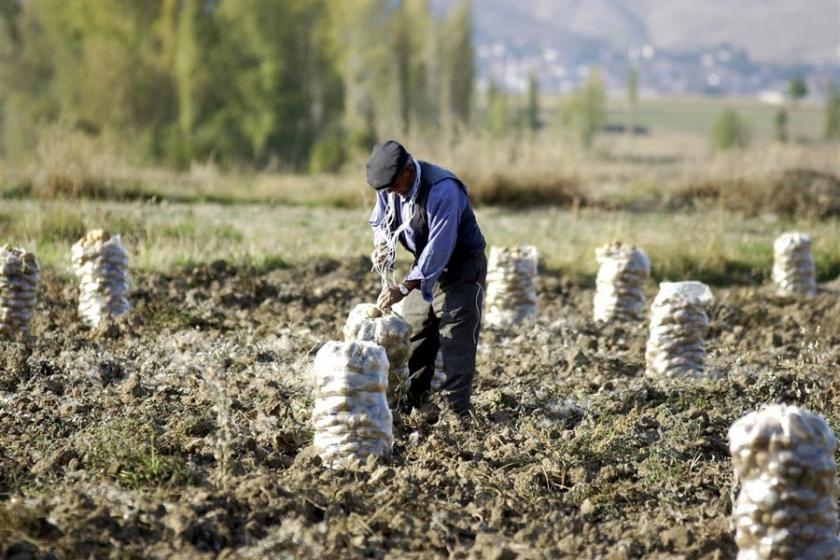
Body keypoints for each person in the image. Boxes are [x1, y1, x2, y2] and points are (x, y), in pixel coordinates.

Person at [366, 140, 486, 416]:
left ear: (409, 170)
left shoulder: (444, 190)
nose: (391, 193)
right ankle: (414, 404)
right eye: (386, 190)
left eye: (394, 186)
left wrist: (405, 286)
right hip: (424, 265)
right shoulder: (390, 187)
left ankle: (457, 414)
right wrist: (383, 246)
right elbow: (380, 221)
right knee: (415, 332)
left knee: (455, 337)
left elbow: (439, 248)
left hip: (461, 267)